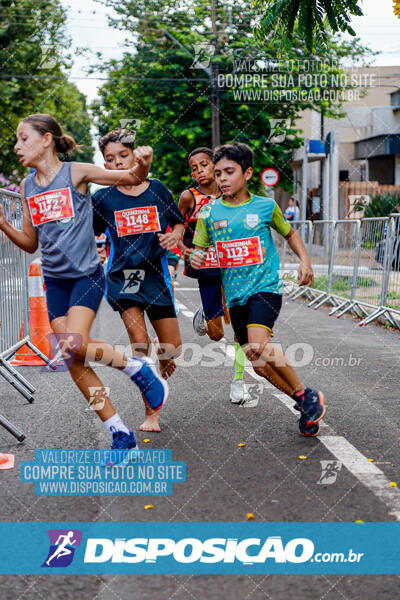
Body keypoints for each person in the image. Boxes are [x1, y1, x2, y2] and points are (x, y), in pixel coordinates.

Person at [0, 113, 168, 456]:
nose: (17, 146)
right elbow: (31, 243)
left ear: (46, 139)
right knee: (75, 359)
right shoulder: (28, 187)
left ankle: (137, 368)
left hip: (85, 276)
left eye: (23, 138)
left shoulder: (76, 172)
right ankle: (120, 433)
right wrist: (4, 223)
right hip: (55, 281)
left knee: (75, 343)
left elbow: (130, 176)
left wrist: (144, 164)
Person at [191, 142, 326, 436]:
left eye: (229, 171)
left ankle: (306, 394)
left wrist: (305, 262)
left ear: (248, 172)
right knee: (260, 366)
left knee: (258, 344)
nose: (223, 178)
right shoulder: (209, 213)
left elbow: (290, 234)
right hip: (235, 296)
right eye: (218, 173)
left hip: (265, 288)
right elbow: (198, 251)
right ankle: (303, 405)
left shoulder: (265, 206)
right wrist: (196, 256)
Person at [93, 128, 184, 433]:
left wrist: (174, 236)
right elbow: (87, 232)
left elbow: (177, 222)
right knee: (139, 346)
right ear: (104, 164)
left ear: (134, 156)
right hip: (125, 277)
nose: (117, 162)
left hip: (156, 276)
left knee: (172, 350)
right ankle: (151, 415)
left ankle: (162, 349)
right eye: (110, 158)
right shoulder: (102, 197)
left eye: (123, 155)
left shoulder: (157, 189)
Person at [178, 147, 250, 406]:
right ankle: (206, 314)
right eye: (194, 168)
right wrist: (186, 252)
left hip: (233, 267)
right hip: (206, 268)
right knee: (217, 335)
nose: (199, 171)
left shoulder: (230, 194)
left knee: (241, 324)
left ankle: (239, 382)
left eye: (204, 165)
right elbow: (175, 229)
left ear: (215, 166)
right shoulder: (188, 197)